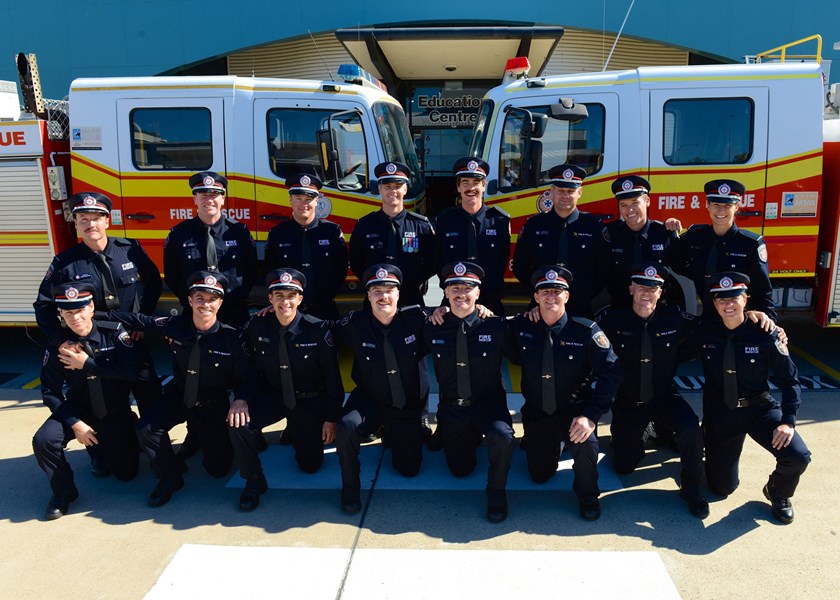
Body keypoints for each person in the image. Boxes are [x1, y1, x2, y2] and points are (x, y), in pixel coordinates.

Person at [104, 271, 257, 507]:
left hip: (211, 405)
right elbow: (139, 320)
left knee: (218, 469)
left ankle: (201, 437)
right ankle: (169, 476)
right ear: (189, 300)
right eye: (199, 298)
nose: (205, 304)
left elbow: (249, 377)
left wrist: (241, 399)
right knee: (146, 428)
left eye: (212, 299)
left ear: (220, 303)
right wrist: (91, 314)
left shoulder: (232, 339)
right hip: (180, 396)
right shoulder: (175, 326)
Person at [33, 191, 162, 419]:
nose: (90, 224)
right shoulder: (64, 263)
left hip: (131, 338)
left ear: (107, 221)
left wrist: (142, 320)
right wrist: (61, 340)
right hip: (94, 344)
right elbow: (43, 305)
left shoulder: (129, 249)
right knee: (106, 404)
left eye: (96, 218)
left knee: (150, 396)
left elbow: (153, 282)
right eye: (83, 219)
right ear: (75, 224)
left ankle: (151, 439)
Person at [696, 272, 810, 524]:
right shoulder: (705, 332)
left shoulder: (765, 333)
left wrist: (788, 421)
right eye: (721, 299)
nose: (728, 304)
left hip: (760, 409)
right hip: (723, 414)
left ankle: (778, 491)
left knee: (797, 455)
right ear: (714, 304)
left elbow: (790, 380)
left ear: (745, 299)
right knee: (721, 488)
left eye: (734, 298)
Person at [509, 266, 621, 520]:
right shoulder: (521, 326)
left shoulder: (585, 330)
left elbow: (612, 371)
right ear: (536, 297)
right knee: (539, 475)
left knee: (586, 442)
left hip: (575, 411)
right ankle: (558, 442)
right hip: (540, 412)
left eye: (557, 292)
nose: (551, 297)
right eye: (545, 292)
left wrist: (591, 416)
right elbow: (486, 326)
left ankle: (588, 494)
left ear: (567, 296)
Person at [597, 264, 709, 518]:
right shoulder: (612, 319)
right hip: (629, 402)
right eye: (641, 286)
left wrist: (755, 318)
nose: (647, 293)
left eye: (653, 288)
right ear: (631, 289)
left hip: (663, 397)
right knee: (624, 466)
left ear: (661, 292)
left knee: (690, 427)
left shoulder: (675, 317)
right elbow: (582, 333)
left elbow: (710, 326)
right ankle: (647, 430)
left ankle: (692, 487)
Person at [229, 268, 344, 511]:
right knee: (239, 424)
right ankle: (254, 480)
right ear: (269, 299)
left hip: (308, 401)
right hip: (274, 395)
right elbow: (243, 362)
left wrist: (331, 419)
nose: (285, 302)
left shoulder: (317, 330)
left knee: (310, 466)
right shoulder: (257, 326)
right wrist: (241, 399)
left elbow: (333, 380)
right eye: (278, 296)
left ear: (300, 299)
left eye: (291, 296)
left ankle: (297, 430)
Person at [32, 282, 141, 519]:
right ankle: (64, 492)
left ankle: (122, 433)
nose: (75, 318)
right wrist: (75, 423)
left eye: (80, 310)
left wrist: (88, 364)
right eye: (68, 312)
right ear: (60, 314)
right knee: (44, 439)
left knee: (126, 474)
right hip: (79, 409)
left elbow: (133, 372)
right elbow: (49, 391)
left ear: (91, 307)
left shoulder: (114, 333)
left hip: (114, 411)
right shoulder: (59, 345)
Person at [423, 261, 517, 522]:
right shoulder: (432, 325)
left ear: (478, 293)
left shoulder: (496, 326)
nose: (461, 293)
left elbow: (524, 355)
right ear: (445, 292)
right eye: (454, 288)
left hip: (488, 404)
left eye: (467, 288)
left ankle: (497, 493)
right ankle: (466, 435)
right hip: (453, 407)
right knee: (460, 470)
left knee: (503, 435)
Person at [333, 264, 429, 513]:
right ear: (368, 295)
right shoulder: (355, 323)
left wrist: (480, 310)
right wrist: (277, 313)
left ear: (398, 294)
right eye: (376, 291)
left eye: (389, 290)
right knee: (346, 426)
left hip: (404, 404)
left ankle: (392, 431)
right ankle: (350, 488)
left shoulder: (417, 319)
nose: (383, 297)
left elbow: (457, 319)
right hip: (371, 398)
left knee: (409, 469)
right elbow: (319, 330)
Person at [512, 164, 609, 318]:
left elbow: (604, 270)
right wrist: (540, 295)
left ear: (580, 192)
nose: (565, 196)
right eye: (560, 191)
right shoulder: (534, 225)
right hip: (542, 307)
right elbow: (520, 267)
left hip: (582, 308)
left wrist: (586, 297)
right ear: (551, 191)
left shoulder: (594, 227)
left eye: (570, 191)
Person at [163, 171, 258, 329]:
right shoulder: (179, 234)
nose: (209, 200)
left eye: (214, 195)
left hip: (233, 311)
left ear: (222, 199)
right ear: (195, 199)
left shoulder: (239, 232)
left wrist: (238, 297)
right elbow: (172, 275)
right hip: (196, 313)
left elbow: (252, 270)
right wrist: (192, 300)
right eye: (203, 195)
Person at [676, 179, 775, 321]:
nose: (721, 211)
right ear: (707, 205)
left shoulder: (751, 244)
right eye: (716, 204)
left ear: (737, 207)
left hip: (736, 320)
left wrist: (768, 323)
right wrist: (669, 227)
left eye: (727, 205)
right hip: (706, 319)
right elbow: (673, 259)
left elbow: (762, 291)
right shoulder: (694, 237)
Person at [349, 162, 435, 308]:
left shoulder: (420, 226)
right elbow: (356, 262)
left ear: (405, 189)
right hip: (377, 302)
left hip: (410, 299)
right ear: (379, 189)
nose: (393, 191)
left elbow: (431, 262)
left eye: (397, 186)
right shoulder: (365, 225)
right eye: (387, 187)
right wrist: (374, 284)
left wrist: (412, 282)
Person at [264, 173, 348, 320]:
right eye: (298, 199)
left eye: (308, 199)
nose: (303, 204)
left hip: (325, 309)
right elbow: (271, 269)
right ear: (290, 200)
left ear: (317, 201)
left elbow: (341, 269)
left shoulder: (332, 232)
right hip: (290, 312)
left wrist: (328, 293)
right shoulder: (277, 234)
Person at [434, 157, 511, 314]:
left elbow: (503, 259)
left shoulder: (499, 221)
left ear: (484, 186)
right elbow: (437, 260)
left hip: (490, 302)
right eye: (465, 183)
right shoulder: (445, 221)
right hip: (455, 302)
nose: (471, 188)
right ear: (458, 187)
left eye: (476, 182)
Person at [602, 176, 682, 309]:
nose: (630, 210)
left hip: (656, 309)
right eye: (624, 205)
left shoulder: (664, 233)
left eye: (635, 203)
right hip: (620, 309)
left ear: (647, 201)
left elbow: (681, 268)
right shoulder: (611, 234)